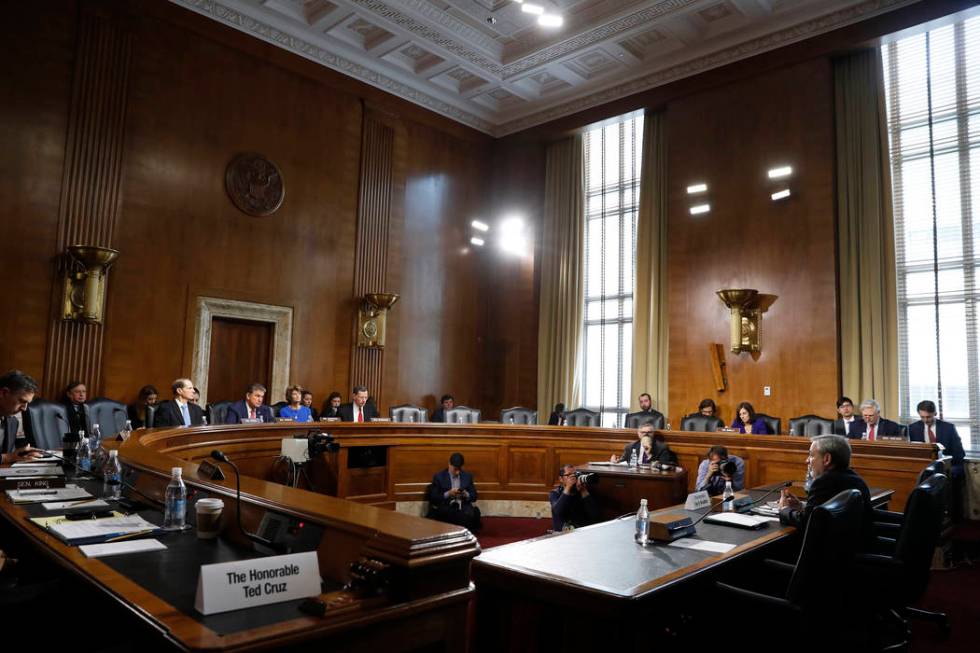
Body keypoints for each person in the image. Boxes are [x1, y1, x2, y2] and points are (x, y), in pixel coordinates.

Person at [778, 435, 873, 539]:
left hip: (831, 553)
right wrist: (802, 506)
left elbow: (806, 523)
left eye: (811, 455)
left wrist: (784, 509)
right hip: (856, 548)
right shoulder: (857, 480)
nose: (807, 460)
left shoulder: (823, 483)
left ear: (827, 459)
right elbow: (826, 513)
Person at [908, 400, 964, 478]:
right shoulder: (913, 428)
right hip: (923, 466)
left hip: (945, 465)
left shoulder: (948, 428)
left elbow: (959, 453)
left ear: (935, 413)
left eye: (928, 417)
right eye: (922, 417)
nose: (925, 420)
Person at [427, 452, 480, 531]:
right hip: (447, 507)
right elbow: (433, 497)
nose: (457, 472)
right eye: (455, 469)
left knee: (473, 513)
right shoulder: (439, 477)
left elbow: (474, 496)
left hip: (462, 507)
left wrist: (466, 494)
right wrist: (448, 493)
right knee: (442, 514)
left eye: (459, 469)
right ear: (449, 464)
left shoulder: (467, 476)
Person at [0, 370, 43, 463]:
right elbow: (7, 457)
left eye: (27, 403)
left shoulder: (12, 422)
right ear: (4, 393)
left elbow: (9, 454)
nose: (24, 408)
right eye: (22, 401)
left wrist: (21, 455)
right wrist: (6, 458)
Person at [549, 464, 600, 531]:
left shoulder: (583, 491)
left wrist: (583, 490)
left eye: (575, 474)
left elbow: (595, 514)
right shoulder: (555, 493)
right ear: (561, 479)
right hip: (562, 534)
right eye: (569, 475)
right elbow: (558, 512)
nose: (573, 477)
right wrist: (568, 487)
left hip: (581, 532)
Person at [611, 422, 676, 465]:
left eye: (649, 432)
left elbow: (664, 466)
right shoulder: (630, 446)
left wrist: (649, 454)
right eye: (643, 432)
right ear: (638, 434)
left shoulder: (662, 447)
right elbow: (623, 462)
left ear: (653, 433)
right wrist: (616, 461)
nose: (646, 434)